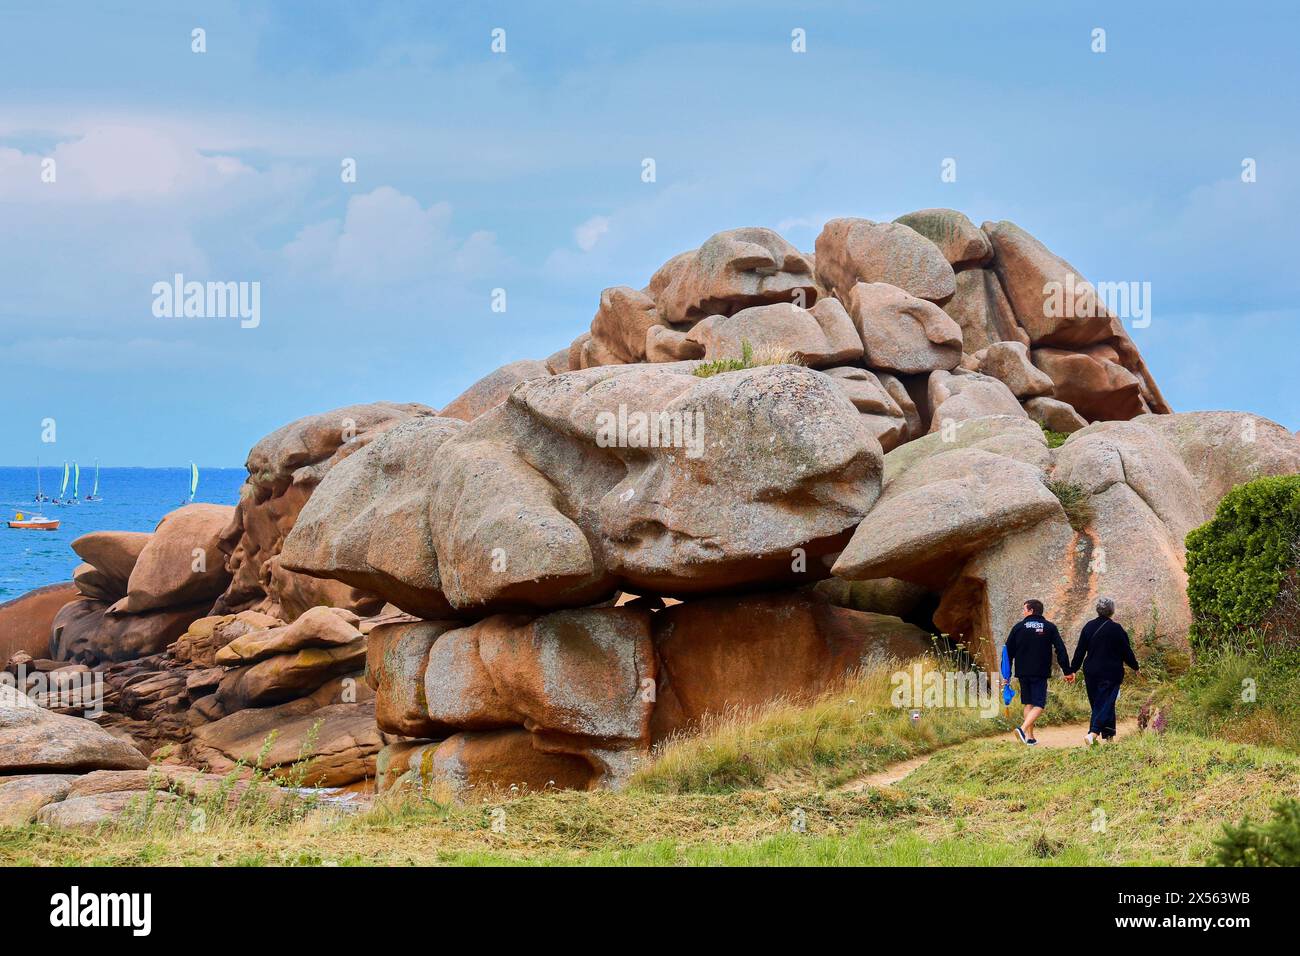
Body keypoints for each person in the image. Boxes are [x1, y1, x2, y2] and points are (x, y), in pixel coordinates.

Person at [1069, 596, 1140, 745]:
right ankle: (1093, 733)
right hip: (1110, 672)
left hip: (1091, 672)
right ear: (1112, 611)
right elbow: (1126, 651)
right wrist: (1135, 667)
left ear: (1097, 610)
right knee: (1106, 703)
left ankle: (1109, 738)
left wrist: (1073, 669)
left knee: (1100, 704)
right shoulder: (1116, 629)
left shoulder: (1088, 627)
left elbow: (1080, 651)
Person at [1002, 599, 1072, 745]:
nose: (1023, 612)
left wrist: (1006, 675)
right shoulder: (1049, 627)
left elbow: (1007, 653)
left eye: (1025, 609)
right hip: (1040, 672)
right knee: (1039, 704)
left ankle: (1030, 738)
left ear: (1031, 610)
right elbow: (1060, 649)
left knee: (1028, 703)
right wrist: (1067, 670)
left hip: (1022, 672)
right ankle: (1022, 729)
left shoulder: (1018, 628)